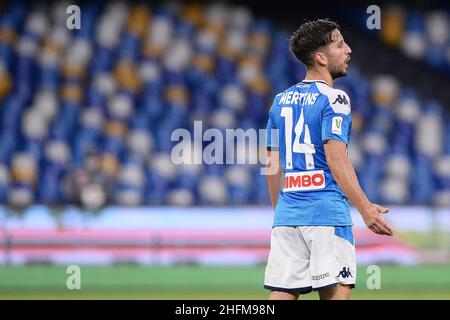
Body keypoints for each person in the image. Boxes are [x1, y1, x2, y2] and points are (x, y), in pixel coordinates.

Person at [263, 19, 394, 300]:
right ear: (321, 58)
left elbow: (272, 165)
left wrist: (281, 213)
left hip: (288, 215)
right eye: (339, 45)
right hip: (326, 214)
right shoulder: (335, 99)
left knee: (283, 292)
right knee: (336, 290)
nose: (348, 50)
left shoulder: (279, 101)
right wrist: (365, 208)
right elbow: (337, 161)